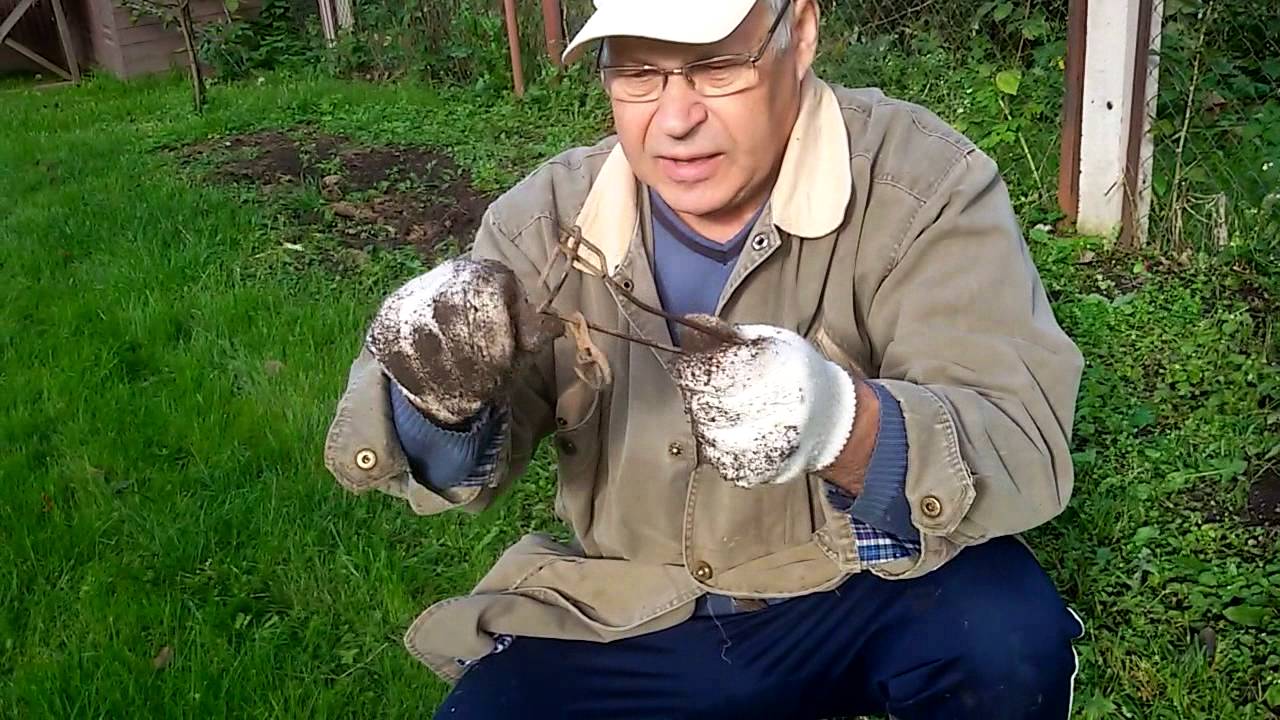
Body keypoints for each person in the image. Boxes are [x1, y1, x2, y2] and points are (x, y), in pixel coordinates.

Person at [323, 0, 1087, 717]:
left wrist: (840, 424)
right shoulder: (548, 220)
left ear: (801, 33)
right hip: (635, 607)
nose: (676, 120)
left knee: (1003, 638)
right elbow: (460, 471)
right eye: (638, 74)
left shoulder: (921, 186)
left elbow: (1017, 437)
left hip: (858, 584)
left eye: (718, 67)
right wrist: (436, 400)